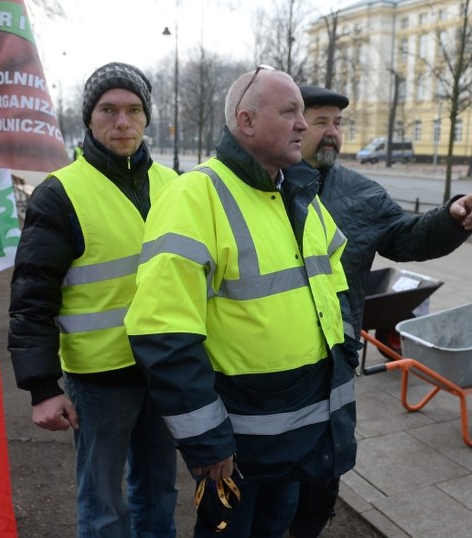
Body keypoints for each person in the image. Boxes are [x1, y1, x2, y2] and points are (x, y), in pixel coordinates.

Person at [125, 67, 361, 537]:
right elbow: (162, 331)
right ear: (246, 121)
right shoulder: (195, 195)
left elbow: (335, 283)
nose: (303, 123)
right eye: (289, 112)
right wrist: (206, 439)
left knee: (276, 527)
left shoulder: (300, 192)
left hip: (302, 429)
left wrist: (346, 351)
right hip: (237, 442)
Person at [289, 85, 472, 537]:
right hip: (270, 361)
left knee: (324, 466)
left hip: (334, 358)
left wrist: (451, 219)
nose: (332, 132)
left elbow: (406, 236)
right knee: (270, 473)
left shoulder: (360, 192)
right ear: (294, 125)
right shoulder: (265, 186)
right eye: (320, 122)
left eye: (338, 123)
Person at [7, 62, 179, 536]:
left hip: (167, 367)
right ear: (89, 118)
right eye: (108, 110)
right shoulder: (60, 194)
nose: (122, 122)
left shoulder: (176, 186)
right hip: (100, 379)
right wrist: (42, 387)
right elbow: (32, 296)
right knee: (103, 502)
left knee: (159, 490)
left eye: (133, 110)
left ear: (146, 117)